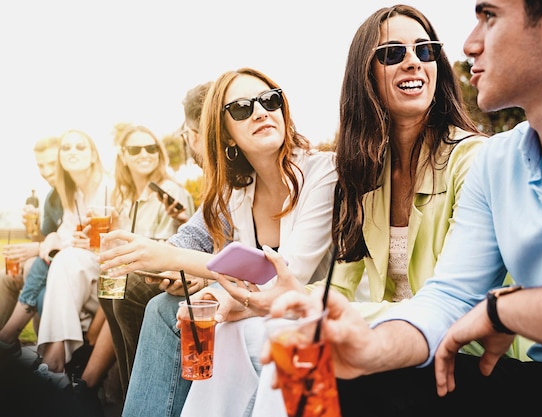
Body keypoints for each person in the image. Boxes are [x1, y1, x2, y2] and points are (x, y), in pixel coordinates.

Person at [263, 0, 542, 416]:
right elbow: (451, 296)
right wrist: (372, 347)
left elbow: (479, 311)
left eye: (488, 17)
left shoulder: (470, 157)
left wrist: (505, 311)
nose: (469, 45)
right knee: (352, 380)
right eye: (393, 53)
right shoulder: (498, 162)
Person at [239, 5, 486, 417]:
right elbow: (340, 284)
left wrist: (339, 314)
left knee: (312, 363)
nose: (413, 61)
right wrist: (282, 298)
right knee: (285, 344)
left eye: (425, 51)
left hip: (459, 358)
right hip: (389, 353)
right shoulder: (368, 174)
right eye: (392, 53)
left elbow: (456, 304)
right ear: (365, 75)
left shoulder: (471, 159)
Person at [98, 67, 337, 417]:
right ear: (224, 134)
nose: (260, 111)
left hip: (313, 309)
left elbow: (286, 276)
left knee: (179, 313)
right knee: (164, 308)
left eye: (270, 100)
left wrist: (170, 257)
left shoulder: (322, 171)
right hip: (262, 307)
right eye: (242, 108)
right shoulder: (236, 190)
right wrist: (207, 284)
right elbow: (236, 271)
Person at [86, 124, 195, 405]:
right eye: (135, 149)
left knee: (122, 286)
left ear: (159, 154)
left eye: (151, 148)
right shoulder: (124, 199)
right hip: (133, 266)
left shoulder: (170, 191)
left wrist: (180, 220)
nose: (144, 154)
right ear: (123, 155)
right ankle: (127, 391)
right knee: (109, 284)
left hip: (167, 266)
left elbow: (183, 242)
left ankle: (136, 391)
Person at [33, 129, 114, 389]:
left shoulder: (112, 187)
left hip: (112, 275)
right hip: (86, 276)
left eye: (80, 147)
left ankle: (54, 360)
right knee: (65, 260)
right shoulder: (73, 196)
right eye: (66, 148)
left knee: (68, 260)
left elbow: (128, 239)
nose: (72, 152)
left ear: (93, 156)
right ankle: (55, 361)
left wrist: (83, 247)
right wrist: (60, 241)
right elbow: (63, 237)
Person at [0, 136, 63, 355]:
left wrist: (36, 249)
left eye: (50, 164)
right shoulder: (51, 198)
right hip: (50, 263)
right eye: (40, 165)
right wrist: (33, 228)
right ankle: (8, 347)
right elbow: (43, 239)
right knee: (5, 276)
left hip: (71, 269)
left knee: (30, 268)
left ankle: (11, 341)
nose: (45, 171)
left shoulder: (76, 194)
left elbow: (58, 244)